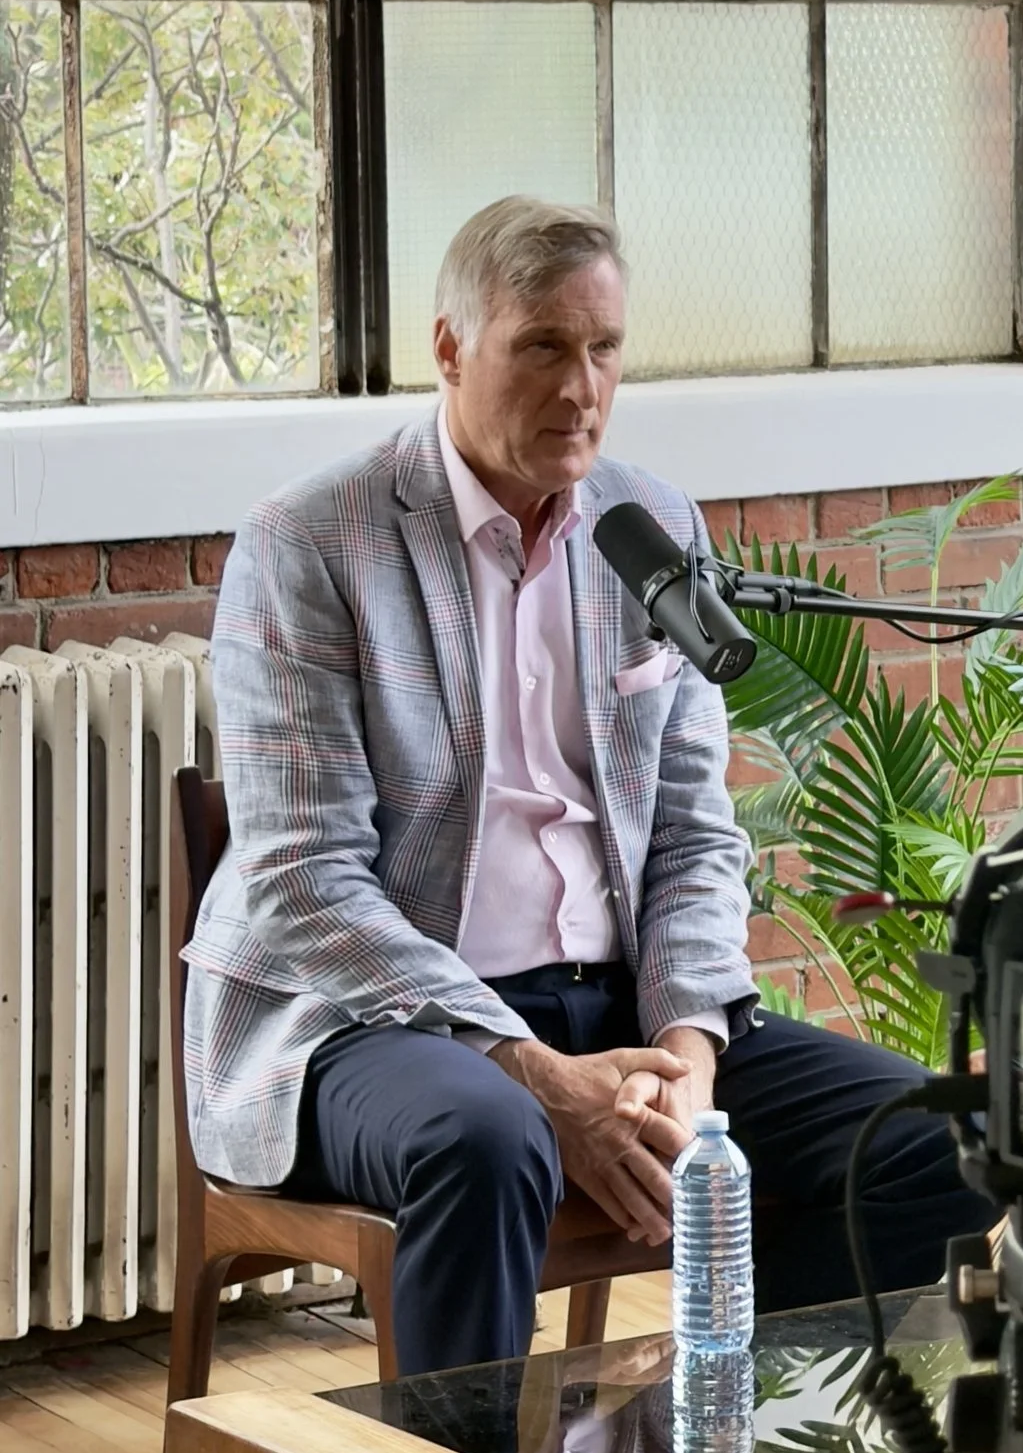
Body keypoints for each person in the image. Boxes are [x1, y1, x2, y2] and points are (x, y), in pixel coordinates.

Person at [183, 194, 980, 1378]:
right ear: (451, 347)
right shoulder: (312, 541)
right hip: (364, 1022)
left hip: (621, 1006)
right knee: (487, 1135)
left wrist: (690, 1053)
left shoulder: (649, 526)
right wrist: (537, 1072)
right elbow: (303, 879)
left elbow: (697, 836)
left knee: (930, 1141)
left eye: (604, 349)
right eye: (543, 346)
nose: (581, 387)